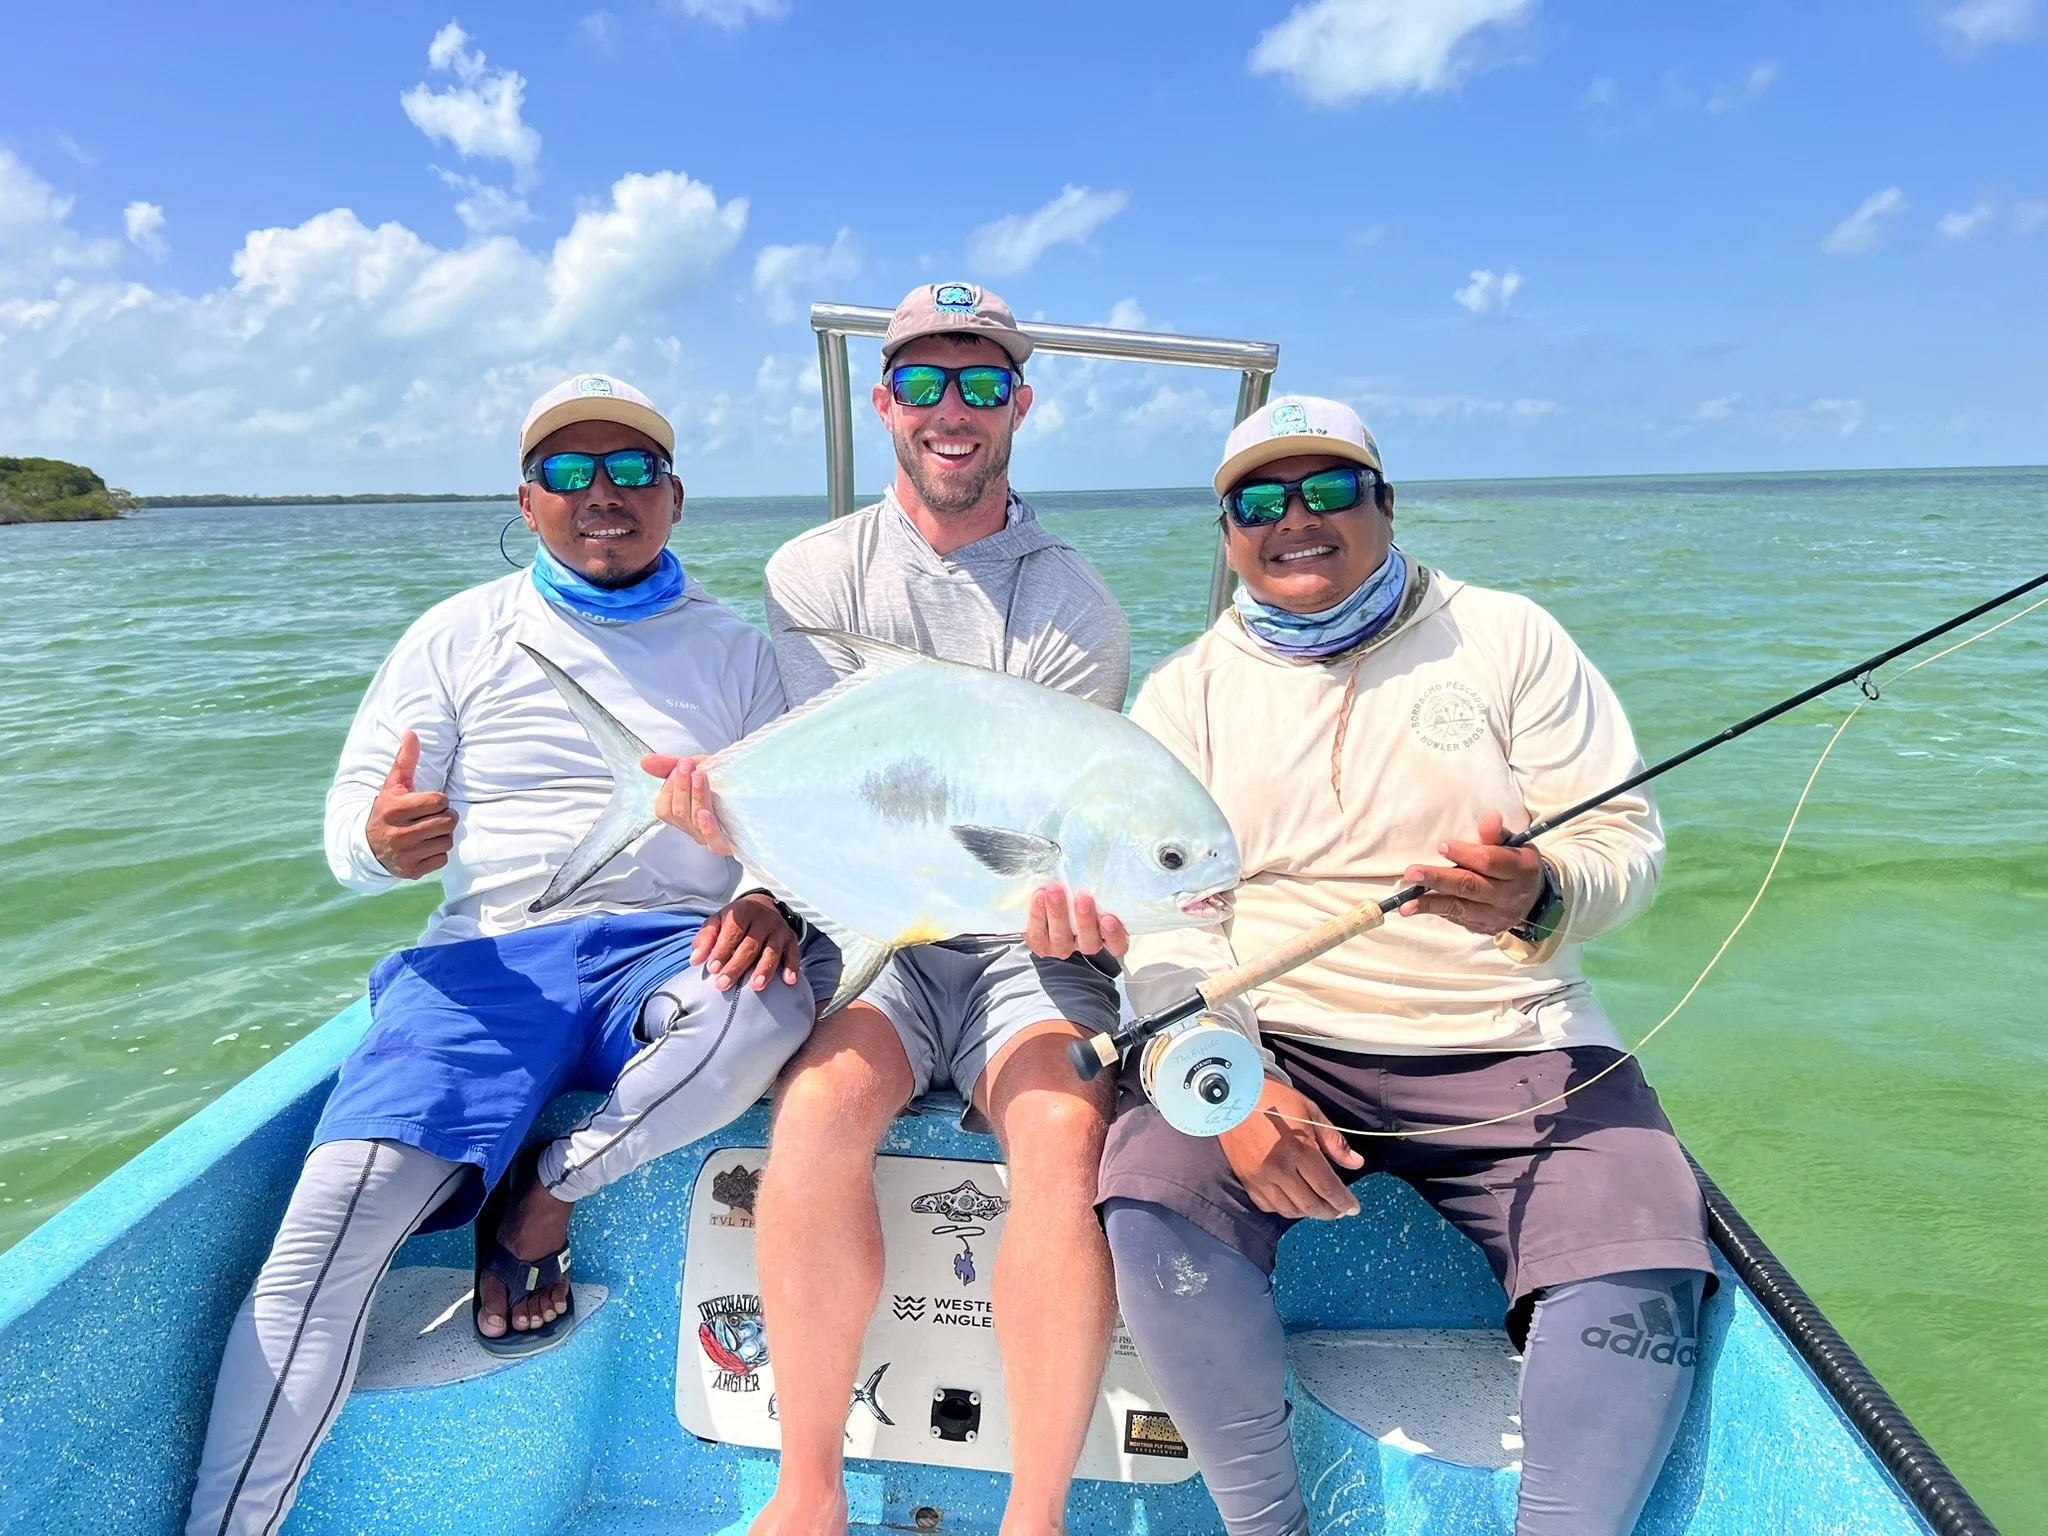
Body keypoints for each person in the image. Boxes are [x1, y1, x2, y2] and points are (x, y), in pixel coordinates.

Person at [1033, 396, 1716, 1536]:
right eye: (1257, 502)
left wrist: (1538, 887)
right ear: (1226, 534)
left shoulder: (1508, 638)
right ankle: (1266, 1525)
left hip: (1512, 1031)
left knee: (1638, 1246)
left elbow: (1623, 850)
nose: (1291, 520)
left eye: (1326, 490)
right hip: (1273, 1033)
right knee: (1150, 1197)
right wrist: (1229, 1088)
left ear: (1383, 504)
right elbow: (1171, 937)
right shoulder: (1183, 694)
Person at [184, 374, 836, 1536]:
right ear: (527, 500)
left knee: (768, 1010)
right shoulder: (456, 634)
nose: (603, 495)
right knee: (325, 1236)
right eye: (571, 474)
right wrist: (383, 845)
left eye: (631, 472)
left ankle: (541, 1192)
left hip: (665, 949)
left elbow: (797, 824)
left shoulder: (743, 655)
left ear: (674, 498)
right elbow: (352, 824)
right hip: (486, 962)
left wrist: (767, 893)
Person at [652, 282, 1131, 1536]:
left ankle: (1035, 1517)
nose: (951, 409)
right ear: (883, 404)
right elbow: (828, 774)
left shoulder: (1075, 603)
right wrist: (752, 860)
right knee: (815, 1111)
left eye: (980, 383)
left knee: (1060, 1136)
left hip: (1018, 926)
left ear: (1019, 402)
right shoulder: (812, 569)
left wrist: (1082, 905)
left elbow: (1043, 821)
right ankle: (806, 1491)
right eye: (923, 382)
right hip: (882, 918)